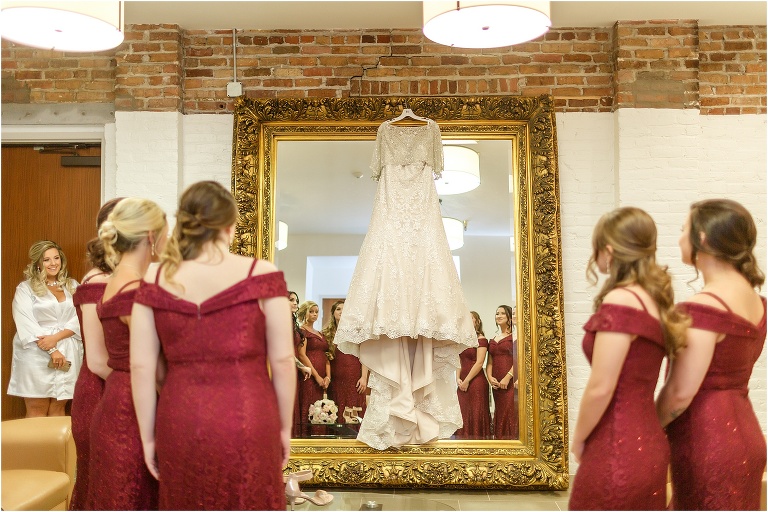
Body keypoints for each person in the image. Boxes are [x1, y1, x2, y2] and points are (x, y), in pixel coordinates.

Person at [131, 181, 295, 510]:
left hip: (180, 418)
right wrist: (284, 427)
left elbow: (141, 367)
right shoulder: (261, 273)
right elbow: (283, 360)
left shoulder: (154, 279)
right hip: (249, 417)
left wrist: (148, 437)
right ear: (229, 226)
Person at [334, 115, 477, 450]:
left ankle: (415, 416)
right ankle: (398, 418)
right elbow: (381, 174)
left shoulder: (431, 131)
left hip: (423, 229)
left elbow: (430, 172)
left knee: (419, 318)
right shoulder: (385, 131)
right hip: (391, 228)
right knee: (396, 318)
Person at [568, 207, 688, 510]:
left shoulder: (621, 299)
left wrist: (579, 438)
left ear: (609, 251)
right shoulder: (656, 302)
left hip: (616, 444)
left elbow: (601, 387)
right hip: (649, 442)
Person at [656, 199, 766, 510]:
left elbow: (679, 394)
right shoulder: (757, 302)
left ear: (702, 238)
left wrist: (646, 430)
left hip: (707, 442)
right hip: (746, 434)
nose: (680, 237)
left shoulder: (702, 308)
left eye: (684, 230)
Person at [88, 197, 167, 510]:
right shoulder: (135, 289)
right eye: (166, 231)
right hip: (135, 410)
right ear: (150, 236)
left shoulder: (115, 281)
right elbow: (154, 369)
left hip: (115, 400)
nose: (169, 239)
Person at [70, 197, 122, 511]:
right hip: (100, 394)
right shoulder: (96, 283)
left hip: (118, 391)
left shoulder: (121, 277)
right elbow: (98, 361)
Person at [8, 240, 82, 417]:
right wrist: (52, 349)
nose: (53, 263)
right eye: (46, 260)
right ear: (38, 263)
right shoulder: (25, 288)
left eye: (56, 258)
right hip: (35, 351)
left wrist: (56, 338)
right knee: (36, 408)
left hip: (68, 349)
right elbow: (25, 321)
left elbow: (81, 316)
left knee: (59, 406)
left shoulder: (73, 286)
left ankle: (57, 439)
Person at [324, 300, 368, 424]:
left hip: (354, 375)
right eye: (338, 309)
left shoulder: (357, 332)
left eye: (344, 309)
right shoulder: (327, 333)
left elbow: (365, 355)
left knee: (354, 407)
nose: (341, 312)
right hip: (336, 377)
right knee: (336, 408)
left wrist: (364, 377)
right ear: (333, 313)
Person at [455, 311, 491, 439]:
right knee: (462, 412)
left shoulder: (481, 340)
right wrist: (457, 378)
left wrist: (467, 381)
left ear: (477, 321)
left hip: (476, 382)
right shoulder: (461, 340)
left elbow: (479, 363)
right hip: (462, 382)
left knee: (476, 412)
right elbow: (458, 361)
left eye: (471, 318)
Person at [297, 300, 331, 435]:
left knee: (320, 407)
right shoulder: (302, 331)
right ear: (304, 312)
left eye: (316, 312)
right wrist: (316, 376)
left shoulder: (320, 333)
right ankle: (305, 437)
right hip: (309, 375)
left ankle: (318, 437)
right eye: (311, 311)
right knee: (308, 404)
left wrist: (328, 377)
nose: (314, 314)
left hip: (322, 377)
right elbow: (301, 355)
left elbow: (326, 355)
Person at [486, 305, 519, 439]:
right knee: (499, 411)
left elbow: (518, 359)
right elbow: (490, 361)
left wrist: (508, 377)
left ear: (509, 317)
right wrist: (489, 377)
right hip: (496, 384)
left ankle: (512, 442)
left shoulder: (515, 337)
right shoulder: (494, 338)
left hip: (510, 381)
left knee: (510, 412)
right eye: (497, 313)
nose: (499, 316)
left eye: (502, 314)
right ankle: (500, 442)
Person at [289, 290, 311, 438]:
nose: (295, 303)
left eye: (296, 300)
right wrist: (301, 365)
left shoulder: (292, 322)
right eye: (291, 300)